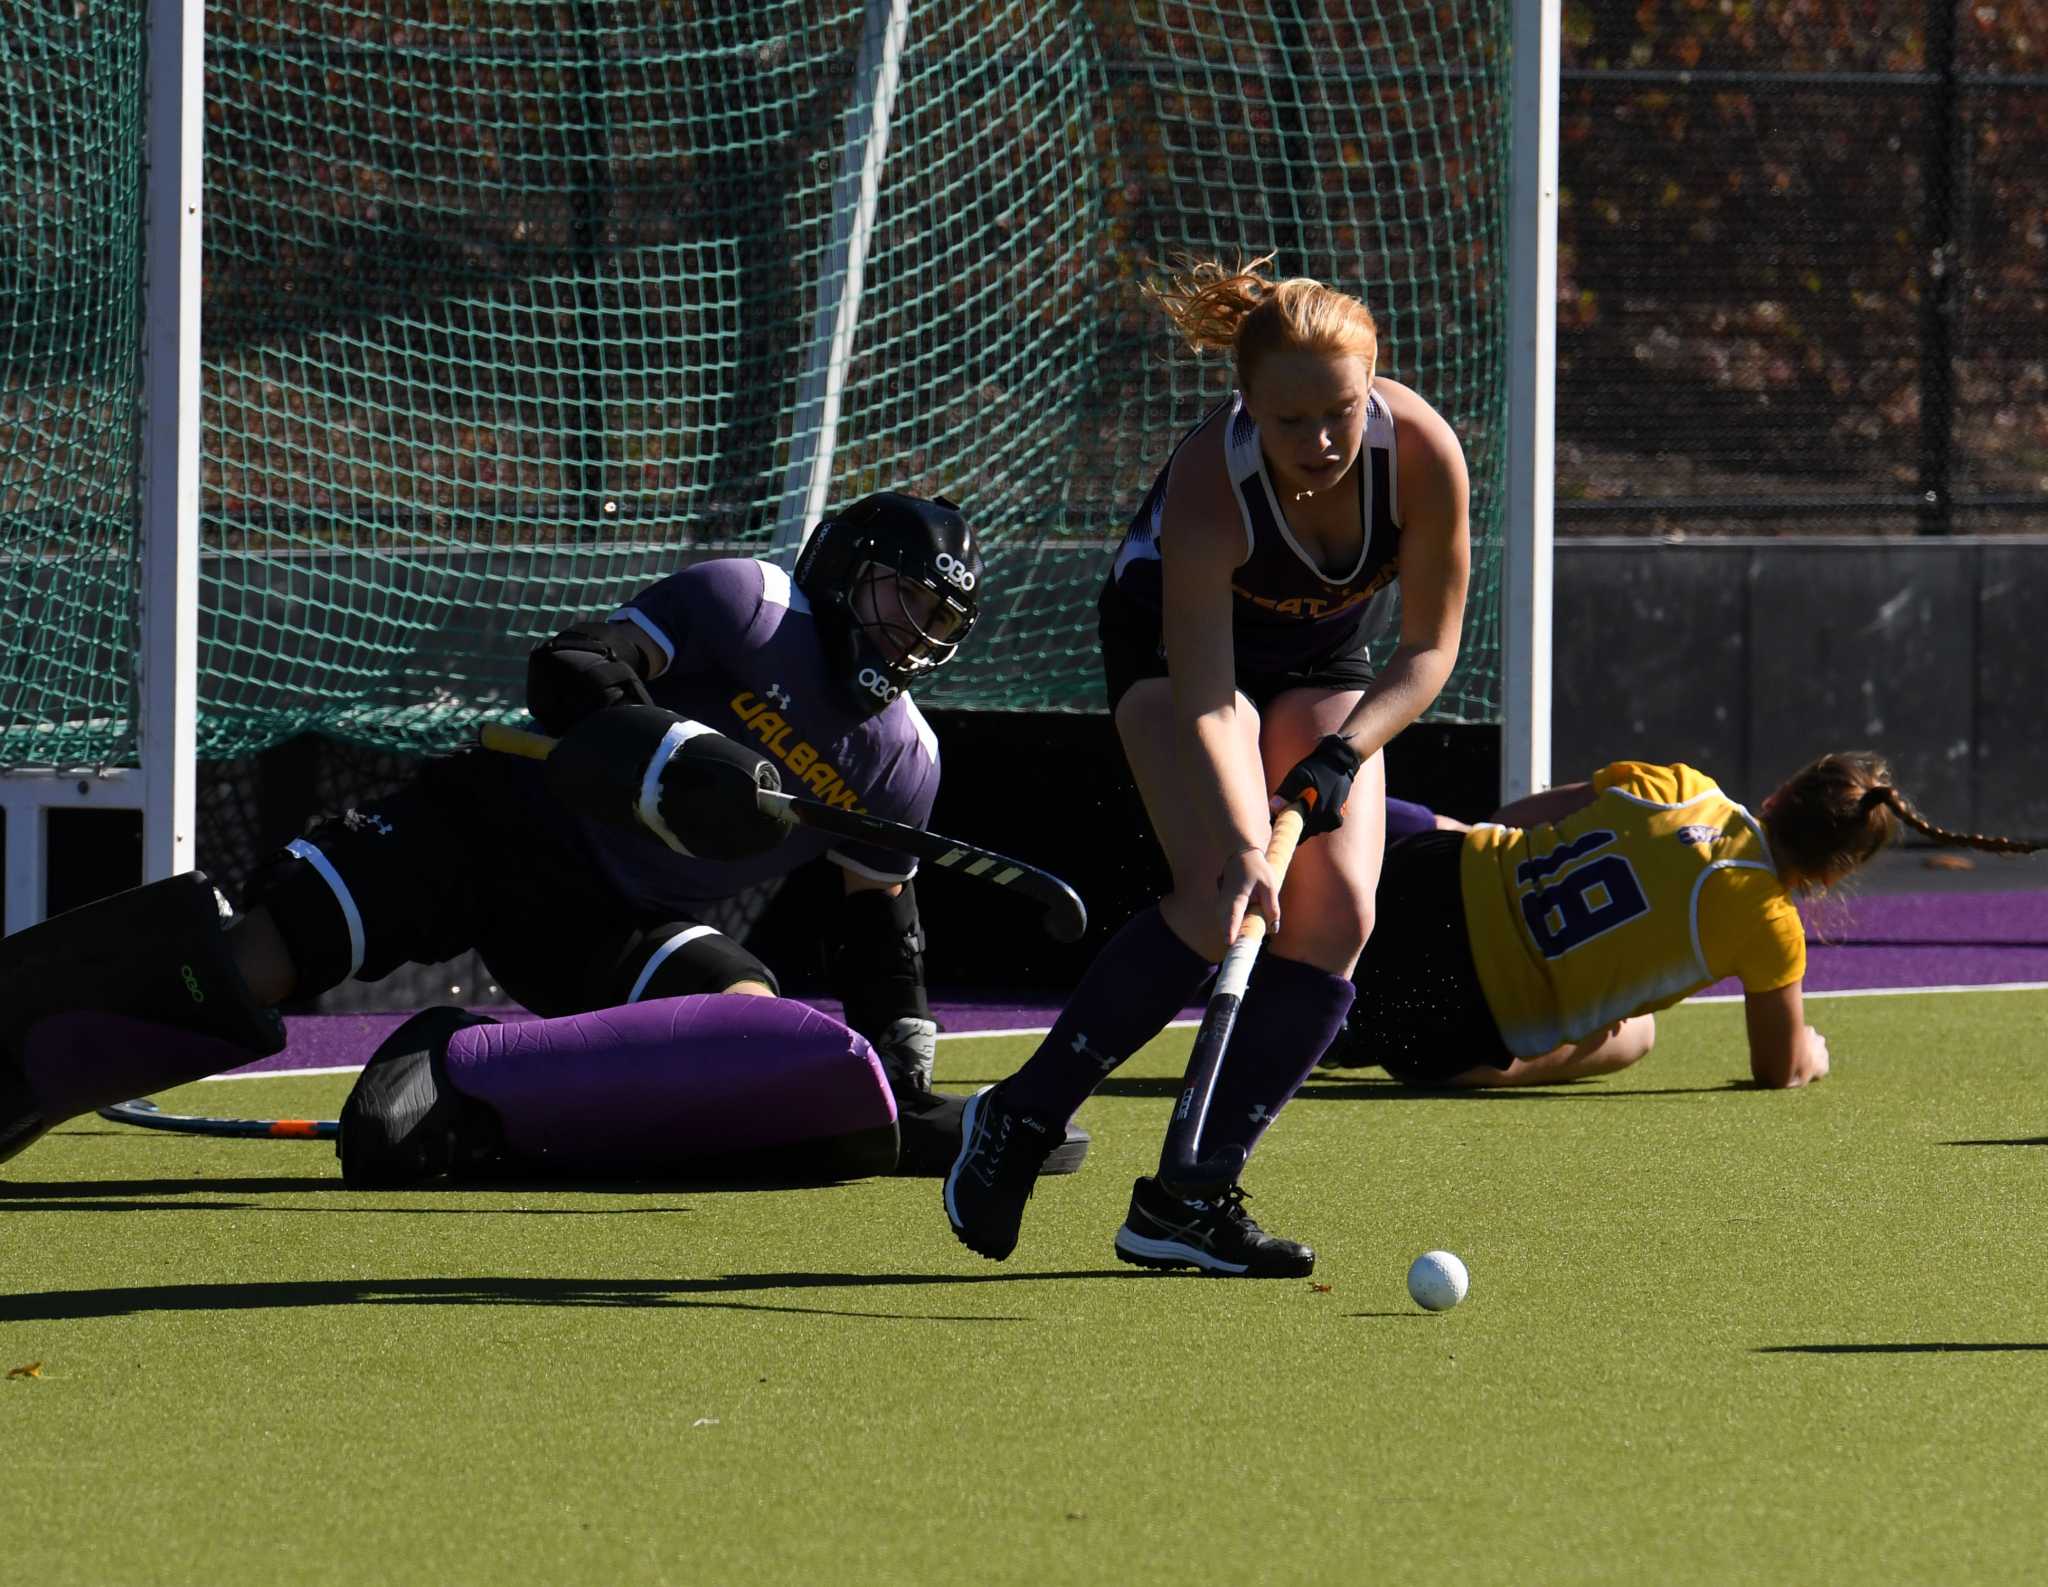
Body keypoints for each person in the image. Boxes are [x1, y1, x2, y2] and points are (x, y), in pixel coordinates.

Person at [1, 490, 1083, 1180]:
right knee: (270, 952)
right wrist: (670, 752)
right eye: (904, 602)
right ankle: (23, 1065)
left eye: (938, 625)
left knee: (744, 1022)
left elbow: (880, 930)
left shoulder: (902, 756)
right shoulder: (751, 603)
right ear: (848, 571)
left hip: (616, 919)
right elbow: (570, 669)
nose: (912, 640)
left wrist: (903, 1071)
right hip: (494, 820)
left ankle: (463, 1090)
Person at [942, 256, 1472, 1277]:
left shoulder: (1420, 455)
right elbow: (1204, 691)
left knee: (1337, 918)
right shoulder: (1207, 483)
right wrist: (1243, 841)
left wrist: (1338, 757)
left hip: (1324, 659)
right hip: (1174, 655)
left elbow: (1426, 651)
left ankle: (1187, 1198)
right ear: (1245, 405)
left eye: (1342, 412)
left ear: (1374, 388)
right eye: (1290, 421)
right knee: (1218, 897)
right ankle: (1020, 1114)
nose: (1319, 443)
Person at [1321, 753, 2042, 1090]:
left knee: (1462, 832)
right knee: (1638, 1034)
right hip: (1443, 1028)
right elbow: (1777, 1067)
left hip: (1420, 884)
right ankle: (1398, 1041)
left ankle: (1294, 847)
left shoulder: (1681, 785)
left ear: (1782, 787)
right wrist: (1810, 1055)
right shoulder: (1770, 928)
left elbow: (1524, 815)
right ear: (1833, 874)